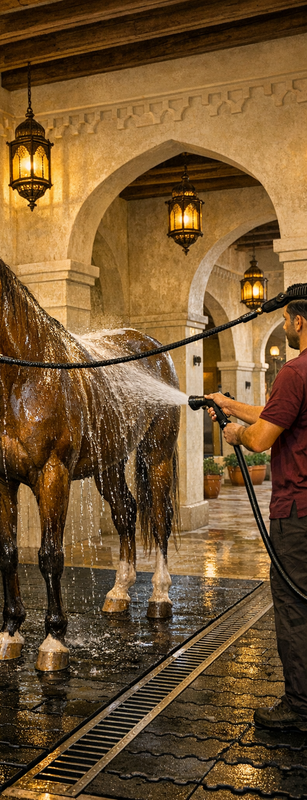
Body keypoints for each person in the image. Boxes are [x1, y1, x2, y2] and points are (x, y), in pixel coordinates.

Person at [206, 297, 307, 732]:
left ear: (299, 321)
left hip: (297, 512)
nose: (284, 323)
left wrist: (236, 432)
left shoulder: (294, 371)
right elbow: (279, 417)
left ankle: (300, 708)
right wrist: (229, 404)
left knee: (293, 607)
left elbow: (264, 437)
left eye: (285, 317)